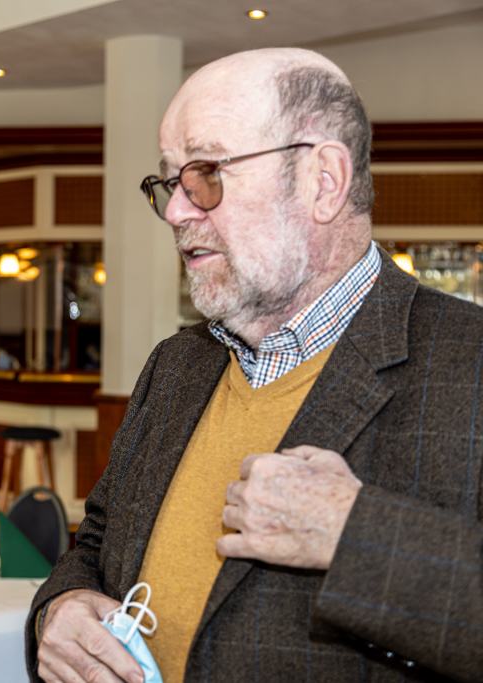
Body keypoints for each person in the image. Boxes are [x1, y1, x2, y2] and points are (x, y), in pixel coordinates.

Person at [27, 48, 483, 683]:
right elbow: (98, 541)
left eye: (207, 173)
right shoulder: (175, 365)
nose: (177, 211)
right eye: (170, 183)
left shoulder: (470, 363)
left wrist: (358, 538)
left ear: (324, 181)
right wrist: (60, 608)